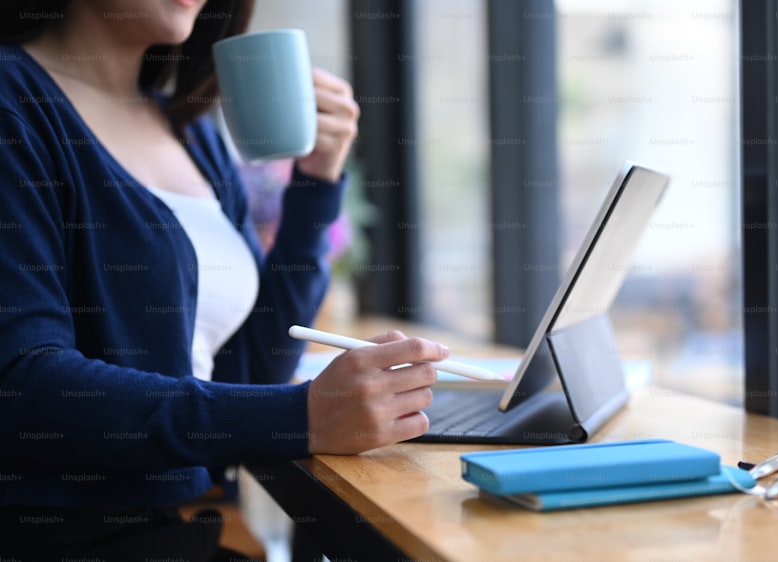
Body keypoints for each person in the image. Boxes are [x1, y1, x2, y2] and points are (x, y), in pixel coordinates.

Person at [0, 0, 448, 559]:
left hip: (179, 529)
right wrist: (299, 416)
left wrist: (317, 182)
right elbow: (21, 384)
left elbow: (254, 365)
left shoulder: (194, 135)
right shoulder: (14, 103)